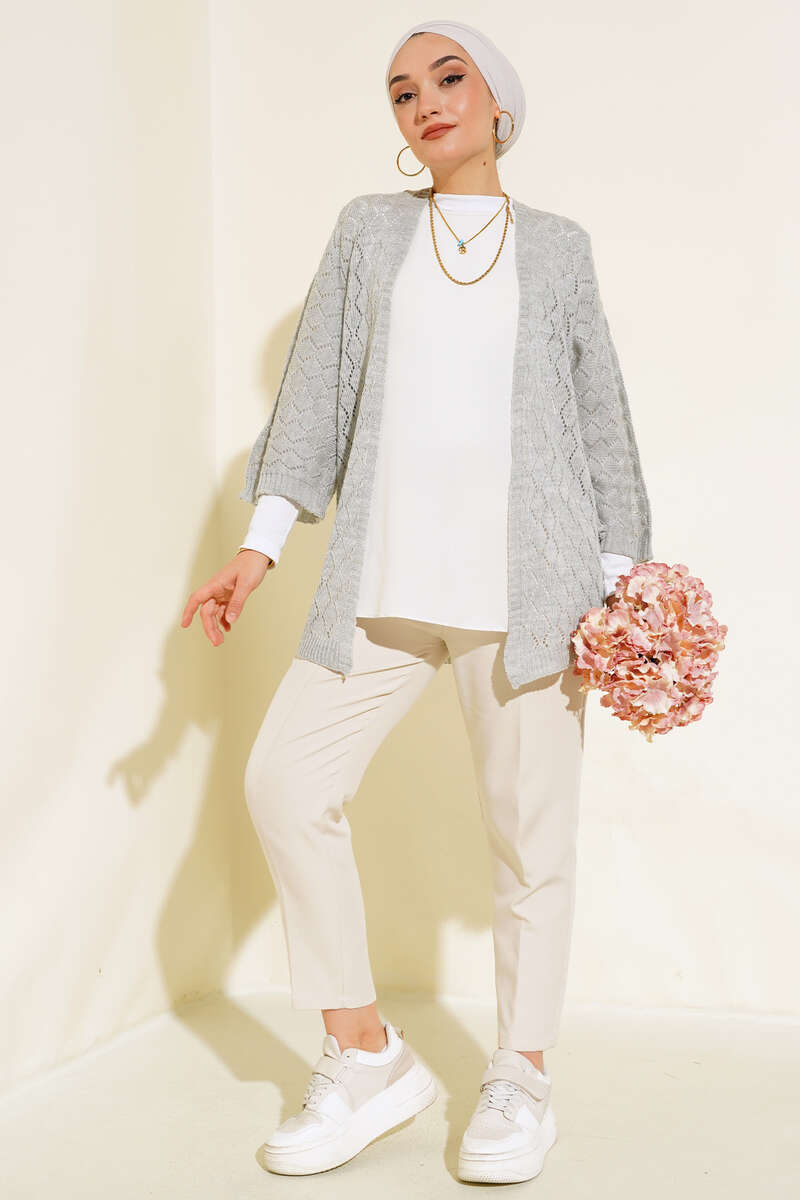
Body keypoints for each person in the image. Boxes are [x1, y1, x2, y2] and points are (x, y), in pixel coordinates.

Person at [180, 18, 653, 1185]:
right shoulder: (368, 232)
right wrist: (258, 547)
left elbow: (601, 424)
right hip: (382, 587)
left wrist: (620, 591)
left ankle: (520, 1074)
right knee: (285, 783)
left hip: (529, 596)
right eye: (401, 92)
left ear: (497, 104)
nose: (425, 102)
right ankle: (365, 1055)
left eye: (448, 79)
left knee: (529, 842)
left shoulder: (559, 249)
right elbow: (313, 398)